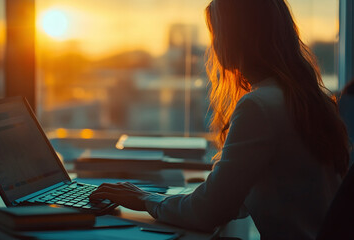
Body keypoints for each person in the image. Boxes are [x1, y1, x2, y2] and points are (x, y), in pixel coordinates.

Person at [89, 0, 350, 239]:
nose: (213, 45)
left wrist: (146, 199)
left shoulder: (259, 106)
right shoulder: (310, 99)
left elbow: (207, 212)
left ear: (239, 37)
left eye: (217, 33)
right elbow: (232, 199)